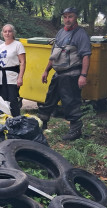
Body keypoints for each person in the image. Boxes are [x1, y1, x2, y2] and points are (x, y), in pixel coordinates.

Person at [37, 7, 91, 141]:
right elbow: (54, 55)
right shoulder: (60, 33)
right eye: (65, 17)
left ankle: (75, 130)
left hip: (72, 74)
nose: (67, 19)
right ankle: (40, 125)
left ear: (76, 17)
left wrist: (83, 76)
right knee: (49, 100)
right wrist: (46, 70)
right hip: (58, 73)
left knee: (71, 102)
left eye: (70, 16)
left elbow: (86, 56)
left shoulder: (81, 34)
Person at [0, 24, 26, 117]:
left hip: (12, 77)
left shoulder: (18, 45)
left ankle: (16, 121)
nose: (7, 33)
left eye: (9, 31)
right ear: (2, 33)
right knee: (2, 101)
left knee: (13, 101)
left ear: (13, 33)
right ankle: (4, 121)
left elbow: (22, 62)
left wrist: (20, 77)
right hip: (0, 78)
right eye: (5, 31)